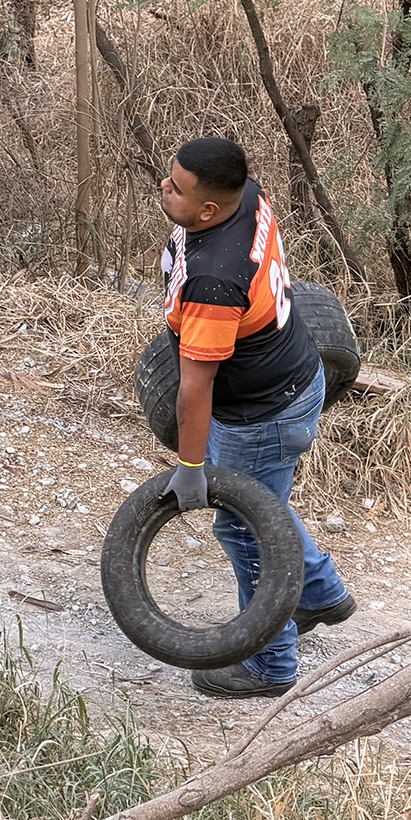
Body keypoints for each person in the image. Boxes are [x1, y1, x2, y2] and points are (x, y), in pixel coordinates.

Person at [157, 136, 355, 699]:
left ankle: (269, 664)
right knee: (265, 510)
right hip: (294, 375)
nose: (163, 189)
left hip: (259, 417)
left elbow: (195, 390)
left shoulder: (214, 283)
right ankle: (318, 591)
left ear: (210, 209)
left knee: (244, 528)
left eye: (176, 188)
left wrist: (190, 465)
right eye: (169, 177)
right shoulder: (247, 194)